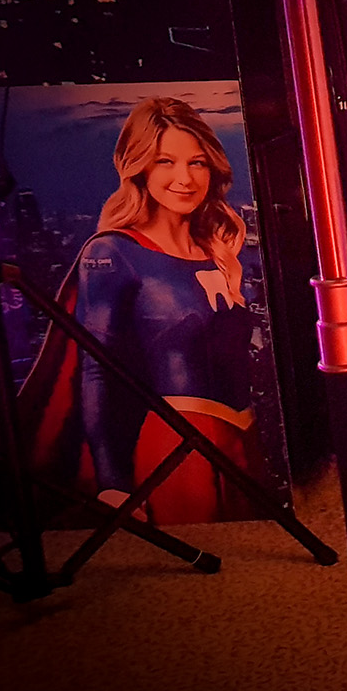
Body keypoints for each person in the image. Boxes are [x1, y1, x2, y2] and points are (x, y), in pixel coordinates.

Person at [18, 97, 269, 524]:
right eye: (165, 161)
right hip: (176, 447)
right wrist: (113, 484)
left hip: (244, 439)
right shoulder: (112, 252)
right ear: (139, 168)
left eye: (197, 163)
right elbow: (96, 372)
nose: (185, 178)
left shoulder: (218, 249)